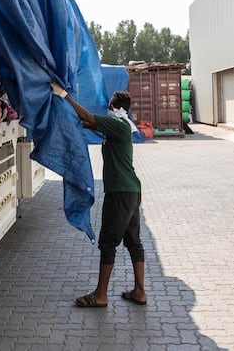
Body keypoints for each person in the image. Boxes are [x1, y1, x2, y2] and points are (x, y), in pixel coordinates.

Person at [51, 82, 147, 308]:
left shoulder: (118, 124)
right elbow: (85, 122)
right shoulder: (119, 125)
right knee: (133, 241)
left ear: (113, 106)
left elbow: (88, 116)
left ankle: (101, 295)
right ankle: (139, 292)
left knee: (108, 243)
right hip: (131, 191)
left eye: (109, 105)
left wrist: (64, 95)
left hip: (120, 193)